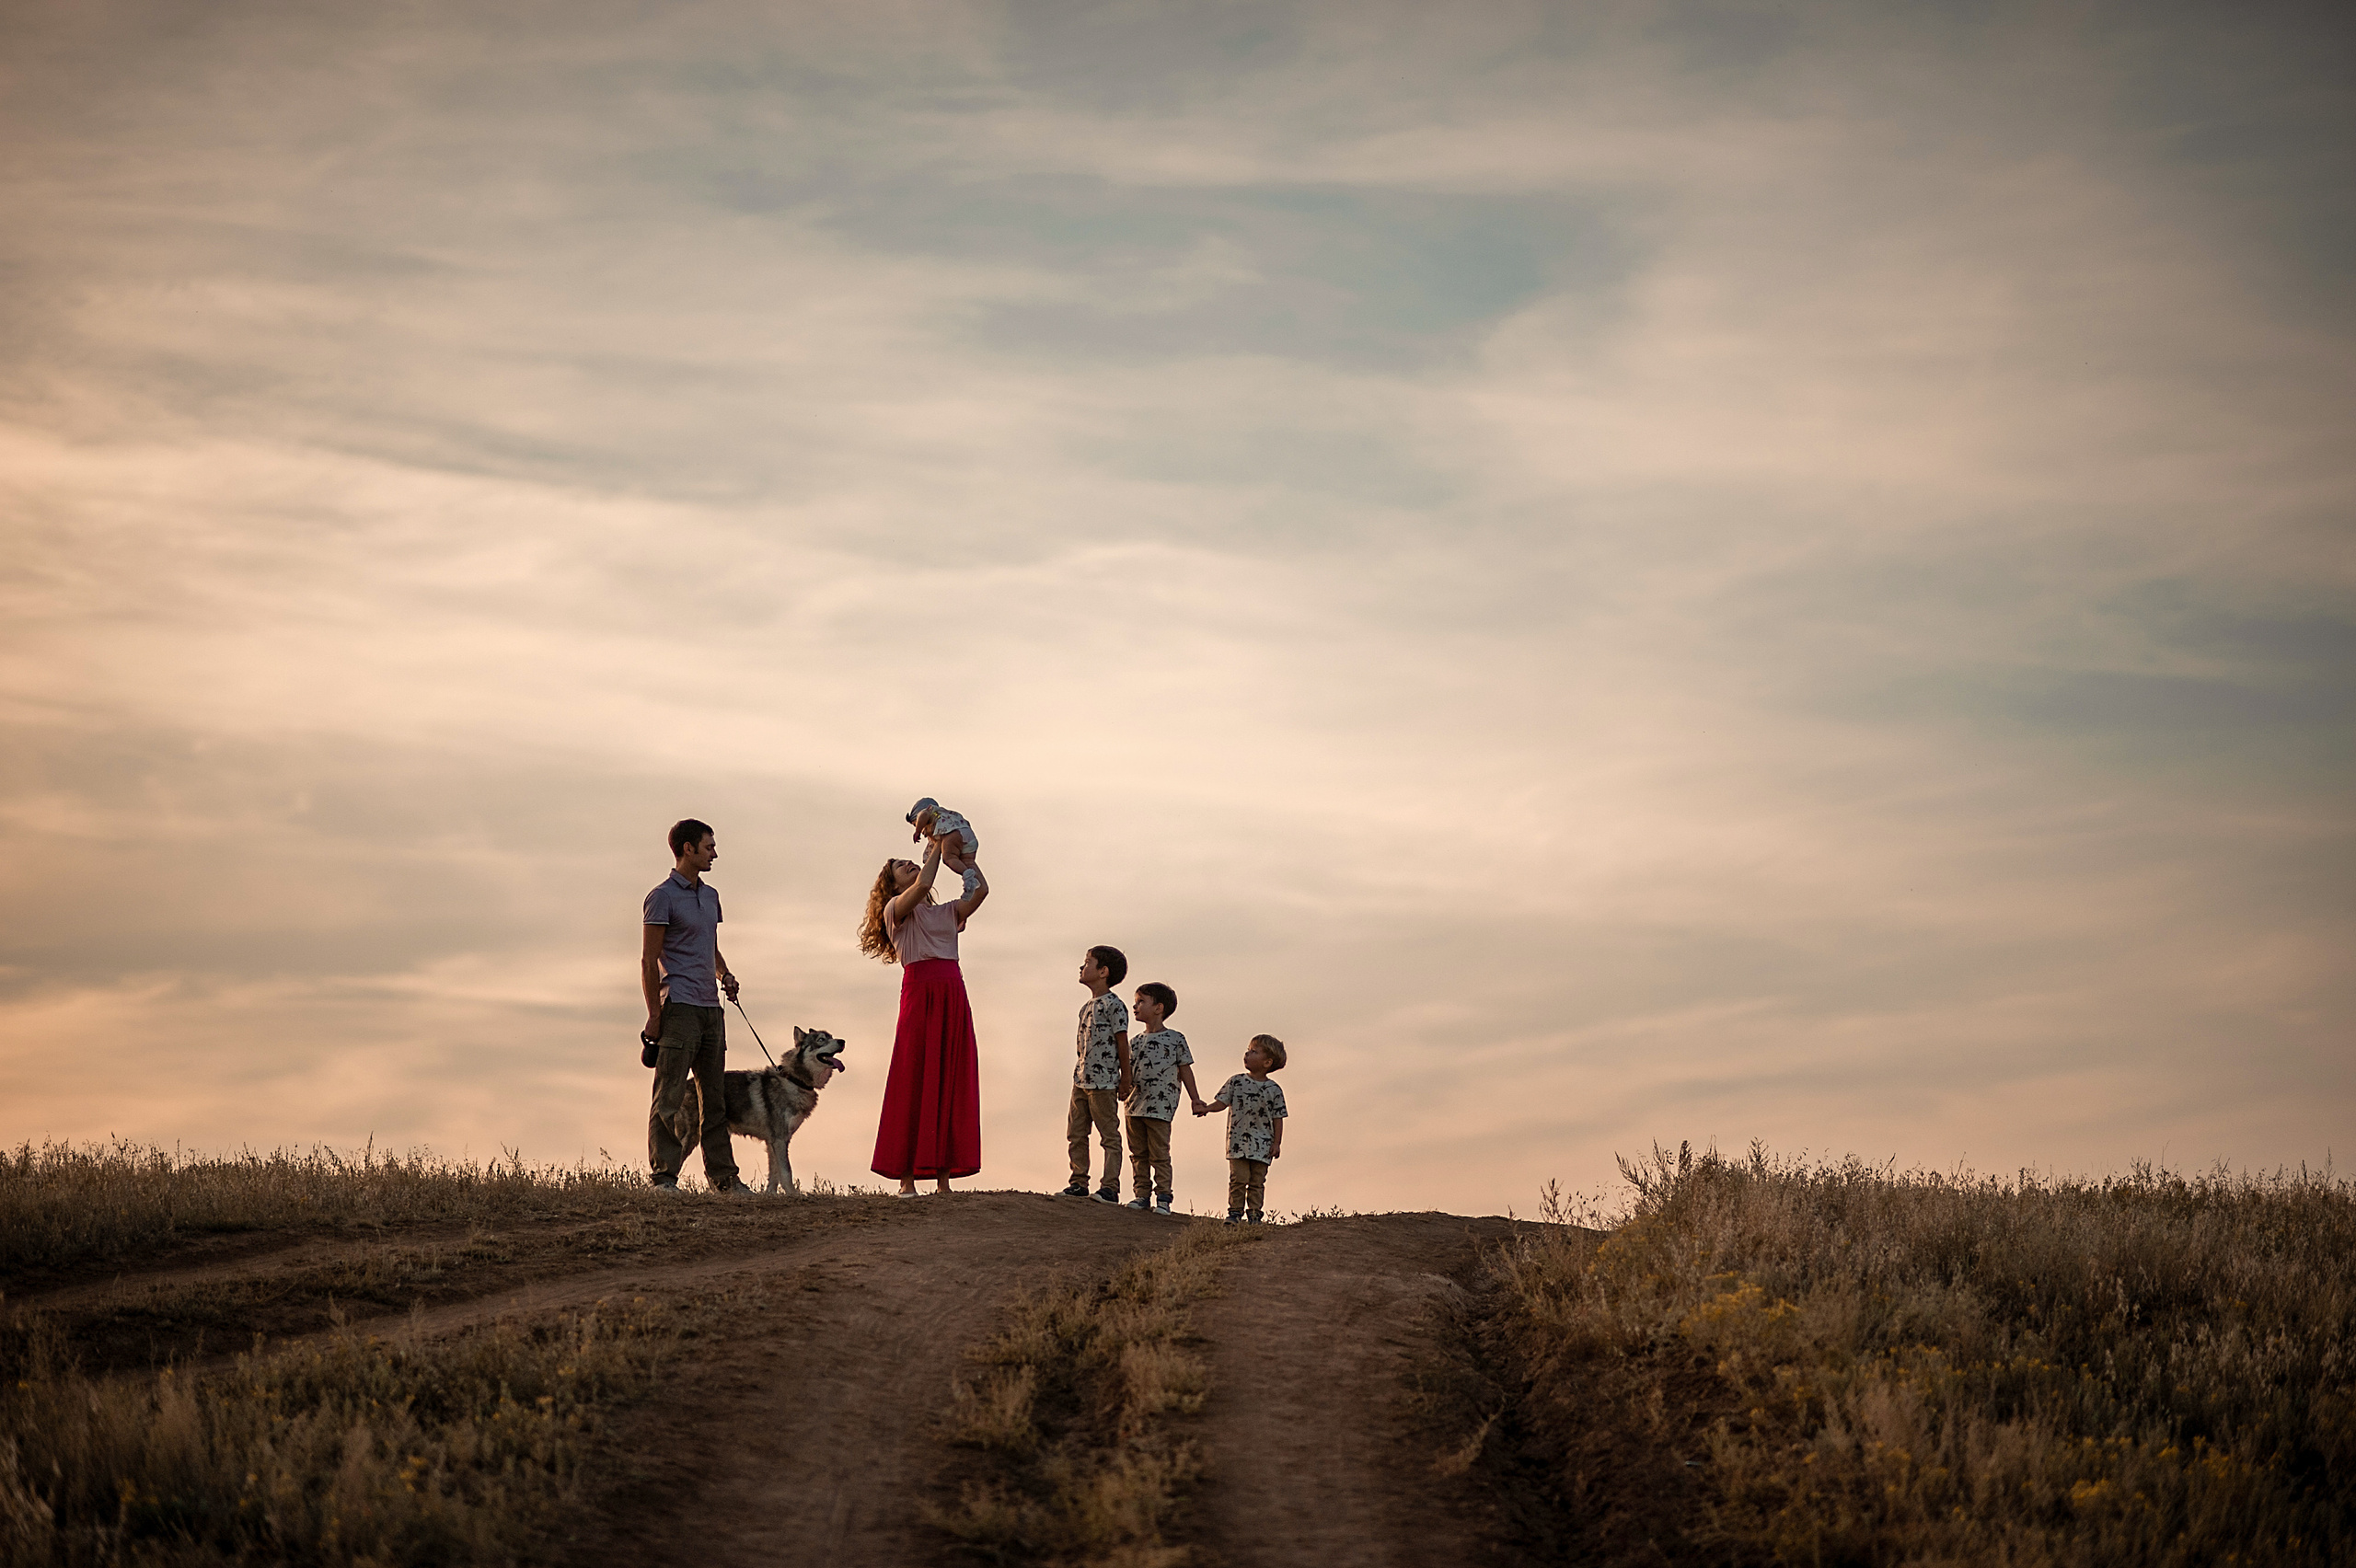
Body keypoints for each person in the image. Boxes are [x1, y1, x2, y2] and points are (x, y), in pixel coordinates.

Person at [859, 839, 989, 1194]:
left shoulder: (945, 912)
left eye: (910, 862)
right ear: (893, 884)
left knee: (949, 1076)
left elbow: (982, 890)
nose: (910, 866)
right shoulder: (894, 910)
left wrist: (962, 862)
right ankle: (906, 1180)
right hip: (920, 993)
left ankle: (944, 1180)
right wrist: (937, 847)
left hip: (952, 993)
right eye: (902, 866)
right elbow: (924, 885)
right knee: (914, 1076)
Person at [641, 818, 750, 1194]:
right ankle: (664, 1178)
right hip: (679, 1007)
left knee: (714, 1097)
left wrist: (725, 974)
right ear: (687, 848)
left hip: (710, 1008)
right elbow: (647, 959)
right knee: (670, 1094)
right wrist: (655, 1015)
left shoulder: (711, 895)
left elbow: (708, 943)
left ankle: (724, 1178)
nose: (715, 853)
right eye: (709, 847)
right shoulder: (661, 897)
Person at [1121, 981, 1200, 1216]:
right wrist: (1122, 1088)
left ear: (1159, 1008)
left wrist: (1195, 1099)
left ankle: (1163, 1198)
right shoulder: (1133, 1042)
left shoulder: (1175, 1039)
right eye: (1135, 1002)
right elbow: (1127, 1072)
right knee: (1138, 1153)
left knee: (1159, 1154)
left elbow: (1185, 1069)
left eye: (1141, 1002)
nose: (1135, 1007)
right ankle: (1141, 1195)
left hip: (1160, 1108)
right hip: (1133, 1106)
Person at [1062, 945, 1130, 1202]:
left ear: (1103, 971)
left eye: (1088, 962)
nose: (1082, 967)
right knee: (1076, 1132)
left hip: (1104, 1082)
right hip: (1081, 1079)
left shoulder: (1114, 1005)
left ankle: (1110, 1187)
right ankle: (1078, 1181)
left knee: (1109, 1135)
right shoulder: (1086, 1007)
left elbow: (1122, 1042)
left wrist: (1126, 1077)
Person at [1196, 1033, 1288, 1224]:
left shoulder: (1274, 1090)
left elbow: (1278, 1118)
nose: (1247, 1054)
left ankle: (1254, 1214)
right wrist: (1207, 1108)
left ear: (1267, 1062)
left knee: (1257, 1181)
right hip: (1237, 1142)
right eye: (1248, 1050)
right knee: (1238, 1178)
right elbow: (1221, 1102)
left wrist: (1277, 1143)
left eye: (1254, 1052)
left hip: (1262, 1144)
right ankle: (1235, 1213)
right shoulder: (1236, 1081)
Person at [906, 797, 983, 901]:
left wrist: (917, 831)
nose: (922, 831)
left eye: (915, 824)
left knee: (949, 858)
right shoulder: (943, 815)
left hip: (953, 832)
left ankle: (968, 878)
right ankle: (976, 884)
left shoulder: (927, 812)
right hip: (968, 835)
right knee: (968, 861)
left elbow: (923, 816)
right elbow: (933, 846)